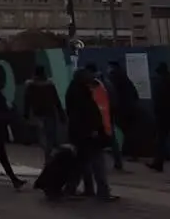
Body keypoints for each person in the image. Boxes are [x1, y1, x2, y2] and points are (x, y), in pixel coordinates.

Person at [65, 69, 117, 202]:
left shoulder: (73, 91)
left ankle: (76, 189)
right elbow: (89, 113)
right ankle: (102, 191)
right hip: (89, 133)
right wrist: (95, 128)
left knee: (82, 163)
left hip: (79, 133)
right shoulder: (84, 93)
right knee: (96, 162)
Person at [23, 66, 65, 161]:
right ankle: (48, 157)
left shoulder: (30, 85)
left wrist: (26, 115)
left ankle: (47, 157)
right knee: (50, 138)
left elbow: (27, 101)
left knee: (43, 138)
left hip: (38, 115)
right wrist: (61, 114)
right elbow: (56, 101)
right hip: (50, 114)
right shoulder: (50, 84)